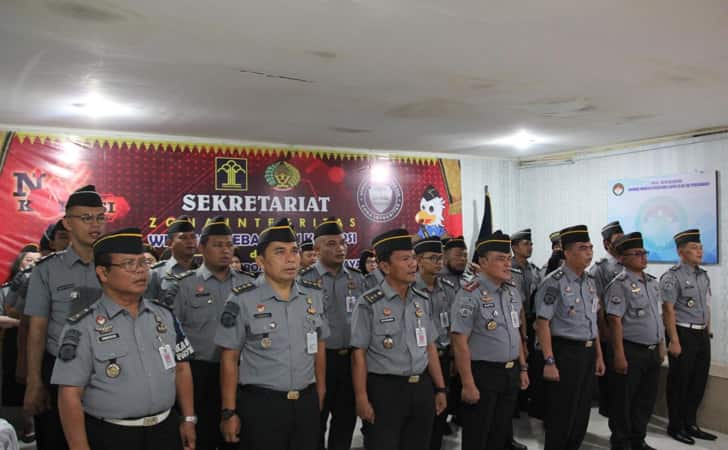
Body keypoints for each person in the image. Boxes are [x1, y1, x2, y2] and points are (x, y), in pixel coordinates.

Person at [51, 228, 196, 450]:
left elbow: (182, 368)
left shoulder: (163, 315)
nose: (140, 271)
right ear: (103, 273)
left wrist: (188, 419)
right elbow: (69, 394)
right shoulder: (82, 325)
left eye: (142, 263)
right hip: (112, 435)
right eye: (129, 264)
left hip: (165, 431)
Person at [216, 218, 328, 450]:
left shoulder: (313, 296)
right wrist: (229, 411)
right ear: (260, 261)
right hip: (262, 405)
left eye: (294, 251)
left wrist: (320, 391)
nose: (291, 259)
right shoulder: (242, 299)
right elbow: (229, 358)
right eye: (280, 252)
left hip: (306, 402)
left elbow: (318, 345)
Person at [23, 185, 107, 450]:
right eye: (86, 218)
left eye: (99, 217)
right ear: (67, 223)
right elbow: (37, 329)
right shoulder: (47, 270)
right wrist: (34, 380)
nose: (94, 224)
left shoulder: (115, 265)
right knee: (55, 439)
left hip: (106, 368)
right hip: (59, 368)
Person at [350, 228, 447, 450]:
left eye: (413, 258)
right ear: (385, 266)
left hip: (421, 387)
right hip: (386, 391)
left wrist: (440, 388)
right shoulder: (369, 304)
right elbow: (359, 355)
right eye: (405, 259)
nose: (413, 264)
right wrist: (361, 397)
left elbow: (430, 347)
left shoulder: (421, 299)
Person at [171, 216, 256, 450]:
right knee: (203, 438)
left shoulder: (249, 285)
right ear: (202, 248)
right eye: (218, 245)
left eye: (229, 245)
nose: (225, 250)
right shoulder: (184, 286)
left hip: (242, 374)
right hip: (200, 374)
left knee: (239, 438)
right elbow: (172, 335)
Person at [450, 230, 529, 450]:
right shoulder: (469, 294)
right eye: (500, 259)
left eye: (509, 259)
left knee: (499, 433)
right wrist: (467, 383)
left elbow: (515, 331)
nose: (507, 264)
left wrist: (522, 368)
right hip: (483, 374)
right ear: (483, 262)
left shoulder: (511, 290)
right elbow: (459, 341)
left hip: (509, 373)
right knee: (478, 435)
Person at [535, 225, 605, 450]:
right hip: (564, 352)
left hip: (587, 351)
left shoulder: (591, 281)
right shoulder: (553, 282)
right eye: (582, 248)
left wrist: (599, 356)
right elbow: (542, 323)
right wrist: (549, 361)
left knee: (581, 411)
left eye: (591, 247)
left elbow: (592, 322)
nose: (589, 252)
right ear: (566, 252)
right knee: (561, 413)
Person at [298, 218, 365, 450]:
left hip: (351, 362)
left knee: (345, 421)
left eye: (342, 243)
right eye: (331, 244)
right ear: (316, 249)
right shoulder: (303, 281)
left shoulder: (357, 279)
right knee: (315, 423)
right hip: (318, 362)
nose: (340, 248)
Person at [605, 232, 664, 450]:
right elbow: (614, 321)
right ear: (622, 258)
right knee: (624, 401)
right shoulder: (619, 284)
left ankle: (638, 440)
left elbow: (657, 318)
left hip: (651, 351)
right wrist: (619, 355)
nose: (643, 257)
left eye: (644, 252)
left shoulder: (652, 283)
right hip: (630, 350)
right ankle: (621, 442)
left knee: (645, 400)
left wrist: (661, 346)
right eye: (637, 253)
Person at [660, 229, 717, 444]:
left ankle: (690, 423)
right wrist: (673, 340)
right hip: (682, 332)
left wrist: (708, 329)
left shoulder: (703, 275)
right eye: (694, 248)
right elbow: (668, 309)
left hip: (701, 334)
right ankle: (675, 426)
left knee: (698, 381)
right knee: (680, 382)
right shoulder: (672, 276)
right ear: (681, 252)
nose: (699, 251)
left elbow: (707, 305)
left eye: (701, 247)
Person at [412, 237, 457, 450]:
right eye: (433, 258)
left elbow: (453, 327)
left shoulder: (447, 288)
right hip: (420, 362)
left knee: (441, 413)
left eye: (441, 258)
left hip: (444, 356)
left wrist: (454, 356)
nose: (439, 262)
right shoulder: (410, 289)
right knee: (420, 419)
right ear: (419, 260)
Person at [590, 220, 624, 419]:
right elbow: (598, 305)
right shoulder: (600, 269)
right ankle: (609, 411)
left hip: (626, 331)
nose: (622, 243)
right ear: (606, 244)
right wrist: (604, 333)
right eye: (617, 240)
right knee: (611, 380)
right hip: (609, 331)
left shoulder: (627, 264)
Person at [146, 216, 198, 300]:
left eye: (193, 237)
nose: (190, 241)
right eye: (183, 238)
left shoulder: (204, 272)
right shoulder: (156, 273)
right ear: (169, 243)